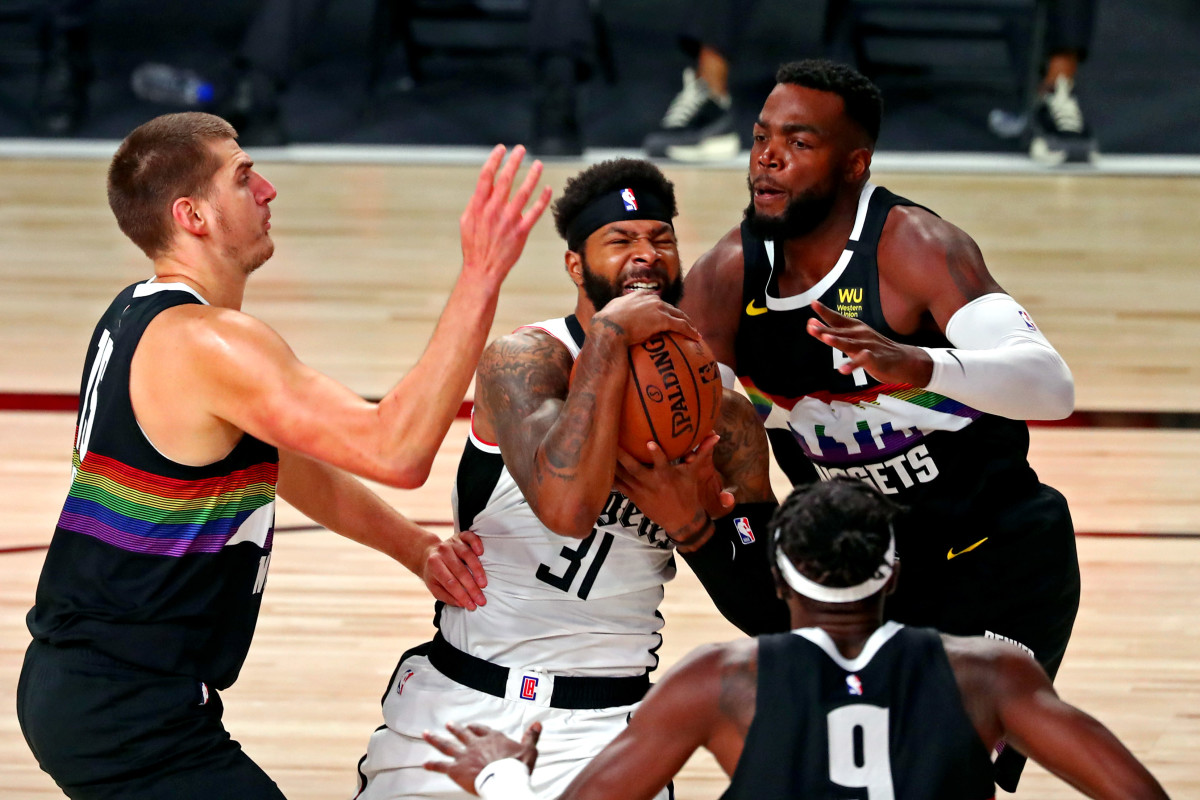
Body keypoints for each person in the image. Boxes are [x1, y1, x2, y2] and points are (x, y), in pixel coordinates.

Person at [16, 111, 550, 800]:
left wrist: (414, 548)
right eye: (242, 177)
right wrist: (480, 275)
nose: (267, 189)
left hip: (100, 690)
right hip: (126, 709)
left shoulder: (137, 311)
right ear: (194, 215)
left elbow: (288, 462)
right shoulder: (209, 343)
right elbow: (397, 448)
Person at [679, 58, 1080, 792]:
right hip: (872, 574)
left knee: (940, 775)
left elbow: (1053, 386)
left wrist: (924, 367)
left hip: (997, 558)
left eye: (798, 142)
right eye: (762, 136)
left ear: (855, 163)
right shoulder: (727, 278)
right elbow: (691, 419)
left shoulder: (915, 247)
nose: (767, 156)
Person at [352, 157, 786, 800]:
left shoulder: (721, 408)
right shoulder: (525, 362)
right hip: (466, 703)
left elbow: (770, 614)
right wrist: (610, 335)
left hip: (611, 722)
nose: (646, 253)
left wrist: (694, 529)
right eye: (621, 239)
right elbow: (565, 507)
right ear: (575, 265)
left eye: (660, 238)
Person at [422, 479, 1170, 800]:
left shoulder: (720, 680)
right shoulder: (994, 674)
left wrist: (499, 773)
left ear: (779, 585)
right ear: (893, 577)